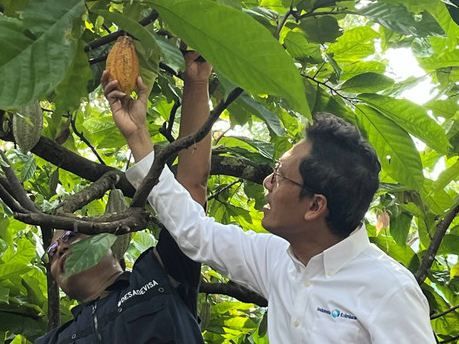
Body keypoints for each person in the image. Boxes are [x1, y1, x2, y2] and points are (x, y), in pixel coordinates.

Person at [106, 77, 435, 343]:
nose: (267, 181)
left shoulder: (389, 289)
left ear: (315, 206)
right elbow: (195, 232)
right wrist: (139, 137)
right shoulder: (279, 260)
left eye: (279, 174)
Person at [36, 52, 212, 344]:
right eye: (51, 253)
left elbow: (191, 188)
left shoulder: (157, 275)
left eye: (69, 236)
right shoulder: (53, 340)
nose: (60, 251)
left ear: (107, 240)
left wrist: (195, 82)